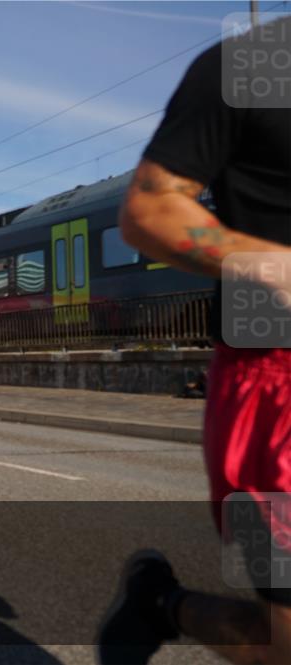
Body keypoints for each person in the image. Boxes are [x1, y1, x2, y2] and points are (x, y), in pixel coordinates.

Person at [99, 18, 291, 665]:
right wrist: (269, 263)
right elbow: (149, 209)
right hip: (275, 384)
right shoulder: (250, 64)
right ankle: (164, 603)